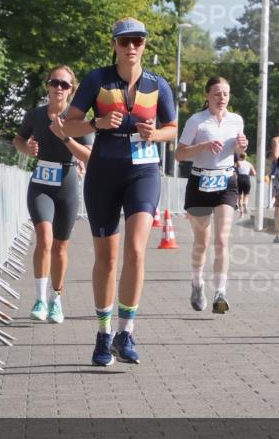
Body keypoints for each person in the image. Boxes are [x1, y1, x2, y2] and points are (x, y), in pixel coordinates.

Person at [60, 18, 178, 366]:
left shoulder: (158, 85)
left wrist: (155, 134)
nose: (131, 47)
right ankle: (103, 333)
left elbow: (173, 128)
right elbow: (68, 126)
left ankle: (126, 332)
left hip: (143, 171)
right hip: (103, 172)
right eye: (124, 41)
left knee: (137, 249)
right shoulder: (97, 79)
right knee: (107, 259)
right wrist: (95, 123)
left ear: (144, 45)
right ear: (113, 44)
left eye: (137, 41)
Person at [13, 66, 93, 324]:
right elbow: (18, 140)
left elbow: (89, 155)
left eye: (64, 84)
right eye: (54, 82)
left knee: (60, 246)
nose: (59, 88)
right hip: (41, 184)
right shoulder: (35, 115)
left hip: (67, 184)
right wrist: (26, 148)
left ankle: (55, 299)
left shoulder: (79, 119)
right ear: (47, 85)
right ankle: (39, 299)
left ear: (72, 89)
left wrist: (68, 140)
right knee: (44, 239)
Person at [176, 77, 248, 314]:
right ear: (207, 96)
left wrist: (242, 146)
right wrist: (202, 146)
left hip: (226, 182)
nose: (222, 98)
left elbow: (239, 152)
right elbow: (179, 154)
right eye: (217, 93)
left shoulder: (236, 120)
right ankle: (197, 283)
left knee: (222, 240)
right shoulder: (196, 121)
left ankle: (220, 292)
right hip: (200, 182)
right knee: (202, 241)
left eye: (225, 93)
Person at [236, 153, 255, 218]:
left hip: (240, 178)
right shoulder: (249, 164)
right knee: (246, 195)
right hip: (247, 178)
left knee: (240, 197)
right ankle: (245, 204)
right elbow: (254, 173)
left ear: (239, 157)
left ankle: (241, 213)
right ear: (246, 157)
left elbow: (233, 170)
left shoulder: (238, 163)